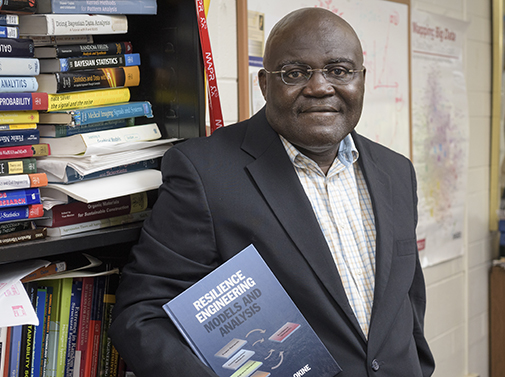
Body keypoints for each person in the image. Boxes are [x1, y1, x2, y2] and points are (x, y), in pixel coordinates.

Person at [109, 7, 435, 377]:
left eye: (339, 71)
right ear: (265, 85)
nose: (319, 87)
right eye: (295, 73)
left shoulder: (396, 172)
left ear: (361, 80)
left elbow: (407, 303)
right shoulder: (205, 172)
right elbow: (144, 315)